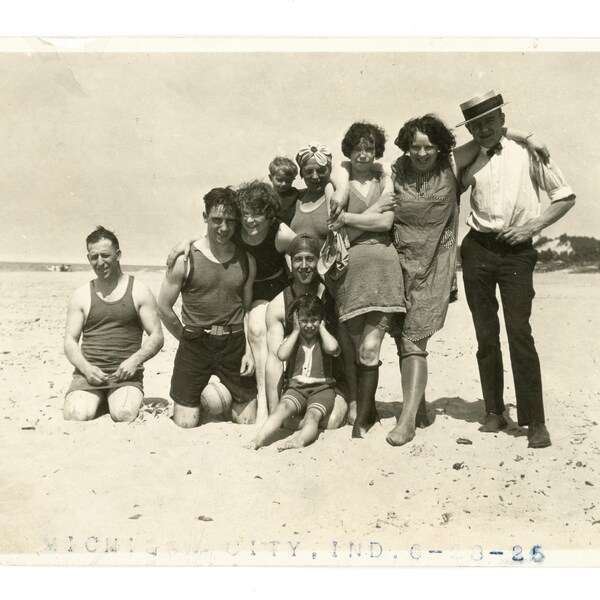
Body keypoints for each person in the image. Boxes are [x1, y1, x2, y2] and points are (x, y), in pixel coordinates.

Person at [457, 90, 575, 449]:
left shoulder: (529, 154)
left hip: (516, 252)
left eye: (489, 121)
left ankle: (534, 420)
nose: (483, 129)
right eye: (476, 124)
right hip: (477, 247)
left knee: (519, 332)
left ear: (501, 121)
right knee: (485, 333)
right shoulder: (468, 158)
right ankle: (493, 410)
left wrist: (531, 228)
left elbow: (565, 196)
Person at [328, 121, 406, 439]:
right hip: (350, 272)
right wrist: (356, 220)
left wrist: (347, 220)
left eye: (370, 148)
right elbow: (333, 225)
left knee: (371, 346)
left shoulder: (385, 176)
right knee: (355, 346)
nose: (364, 153)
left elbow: (386, 221)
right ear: (350, 149)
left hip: (385, 268)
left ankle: (363, 419)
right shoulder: (338, 179)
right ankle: (364, 405)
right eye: (358, 147)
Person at [158, 187, 258, 428]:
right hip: (195, 345)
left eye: (230, 221)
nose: (223, 228)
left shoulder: (247, 260)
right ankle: (203, 398)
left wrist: (249, 350)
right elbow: (163, 306)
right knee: (185, 424)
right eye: (216, 220)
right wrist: (185, 337)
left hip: (234, 345)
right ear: (205, 217)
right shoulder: (185, 259)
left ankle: (218, 396)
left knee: (246, 421)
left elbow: (247, 310)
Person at [63, 226, 164, 422]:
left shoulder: (139, 291)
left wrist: (134, 361)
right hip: (88, 375)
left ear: (118, 255)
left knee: (122, 415)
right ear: (88, 258)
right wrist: (86, 368)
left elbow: (157, 336)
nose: (100, 262)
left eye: (105, 255)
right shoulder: (81, 294)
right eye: (94, 257)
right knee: (76, 416)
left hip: (125, 376)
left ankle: (111, 399)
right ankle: (97, 398)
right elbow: (70, 341)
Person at [265, 233, 348, 427]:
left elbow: (347, 349)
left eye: (310, 259)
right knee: (289, 422)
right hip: (298, 384)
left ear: (319, 261)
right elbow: (274, 359)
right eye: (298, 260)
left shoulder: (332, 296)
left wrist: (351, 400)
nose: (304, 266)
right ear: (290, 263)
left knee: (332, 422)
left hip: (330, 381)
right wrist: (274, 411)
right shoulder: (278, 304)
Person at [245, 294, 341, 451]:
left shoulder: (324, 339)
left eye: (314, 320)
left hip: (322, 389)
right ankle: (259, 439)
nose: (309, 325)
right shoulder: (293, 338)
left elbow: (333, 349)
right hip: (297, 388)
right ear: (296, 321)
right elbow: (281, 355)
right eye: (303, 321)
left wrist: (322, 327)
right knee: (282, 407)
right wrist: (296, 331)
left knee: (312, 416)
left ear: (321, 319)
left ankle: (300, 440)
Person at [268, 156, 300, 226]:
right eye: (279, 180)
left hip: (290, 230)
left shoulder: (294, 193)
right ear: (270, 178)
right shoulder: (268, 195)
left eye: (288, 181)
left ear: (293, 179)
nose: (284, 184)